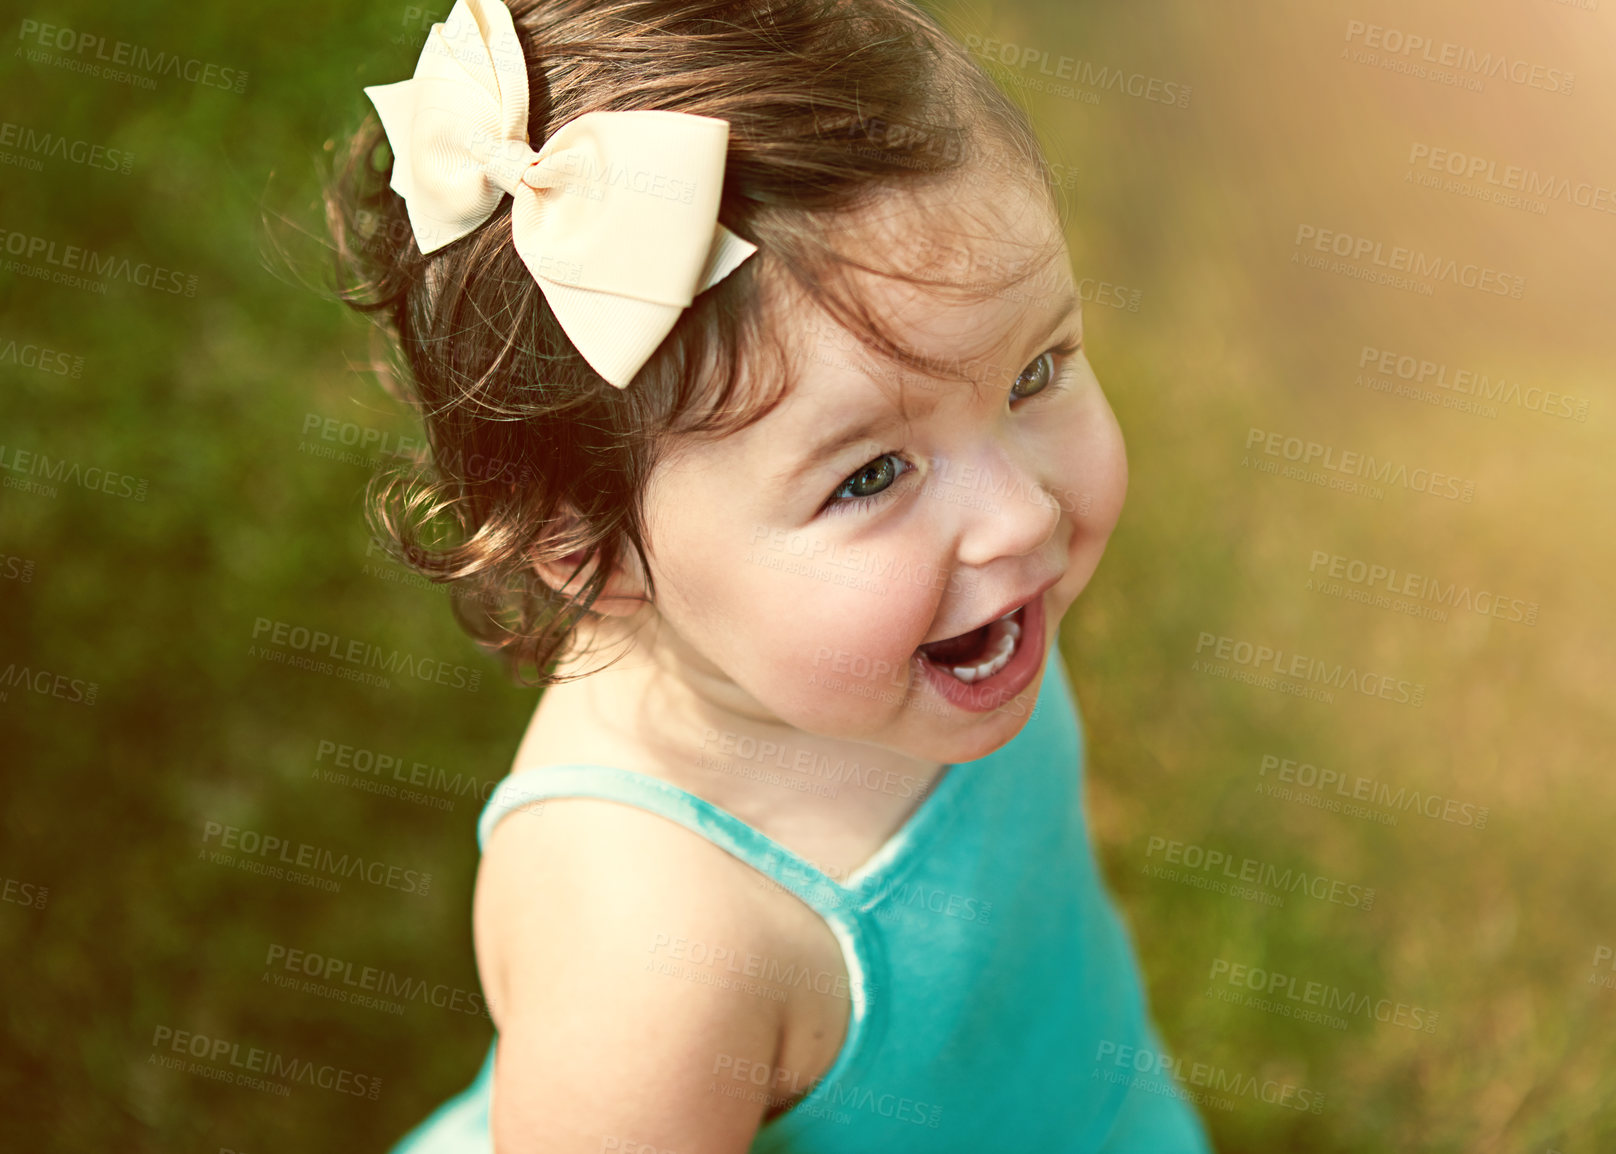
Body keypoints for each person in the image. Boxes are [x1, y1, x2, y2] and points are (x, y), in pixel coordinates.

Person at [326, 0, 1214, 1149]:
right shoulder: (651, 949)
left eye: (1034, 371)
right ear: (593, 553)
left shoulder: (921, 630)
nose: (1018, 513)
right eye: (872, 473)